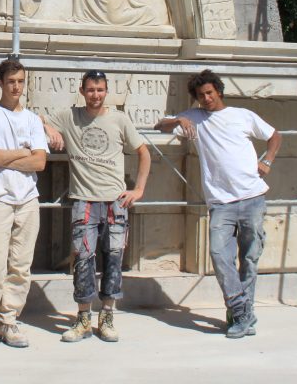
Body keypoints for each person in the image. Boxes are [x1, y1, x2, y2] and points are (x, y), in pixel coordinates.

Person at [154, 69, 281, 339]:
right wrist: (179, 119)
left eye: (209, 93)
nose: (206, 98)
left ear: (219, 91)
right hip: (221, 202)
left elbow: (274, 135)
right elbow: (160, 126)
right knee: (220, 256)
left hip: (252, 197)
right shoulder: (195, 118)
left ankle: (240, 314)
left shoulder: (242, 115)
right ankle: (241, 310)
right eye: (201, 95)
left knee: (249, 258)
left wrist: (267, 160)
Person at [42, 70, 151, 343]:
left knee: (114, 259)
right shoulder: (70, 116)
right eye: (90, 90)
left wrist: (138, 189)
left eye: (100, 90)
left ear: (106, 91)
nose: (95, 95)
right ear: (82, 91)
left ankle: (108, 316)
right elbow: (37, 119)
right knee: (82, 260)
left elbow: (143, 152)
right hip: (84, 201)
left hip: (115, 201)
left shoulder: (119, 119)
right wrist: (50, 129)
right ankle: (82, 318)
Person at [0, 57, 49, 348]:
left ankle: (9, 320)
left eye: (20, 82)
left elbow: (40, 162)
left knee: (20, 266)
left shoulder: (32, 119)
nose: (16, 87)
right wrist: (20, 153)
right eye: (11, 81)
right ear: (1, 83)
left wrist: (8, 157)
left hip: (28, 199)